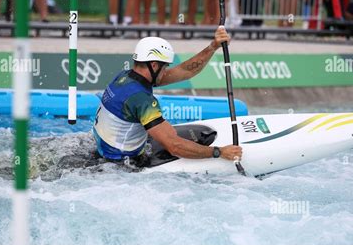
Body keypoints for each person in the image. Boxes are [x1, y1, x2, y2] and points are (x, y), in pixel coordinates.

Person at [92, 27, 242, 168]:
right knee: (172, 137)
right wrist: (220, 152)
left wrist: (213, 46)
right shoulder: (141, 99)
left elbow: (185, 71)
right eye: (165, 67)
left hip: (105, 152)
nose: (166, 72)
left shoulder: (124, 77)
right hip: (122, 166)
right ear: (154, 65)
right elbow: (174, 146)